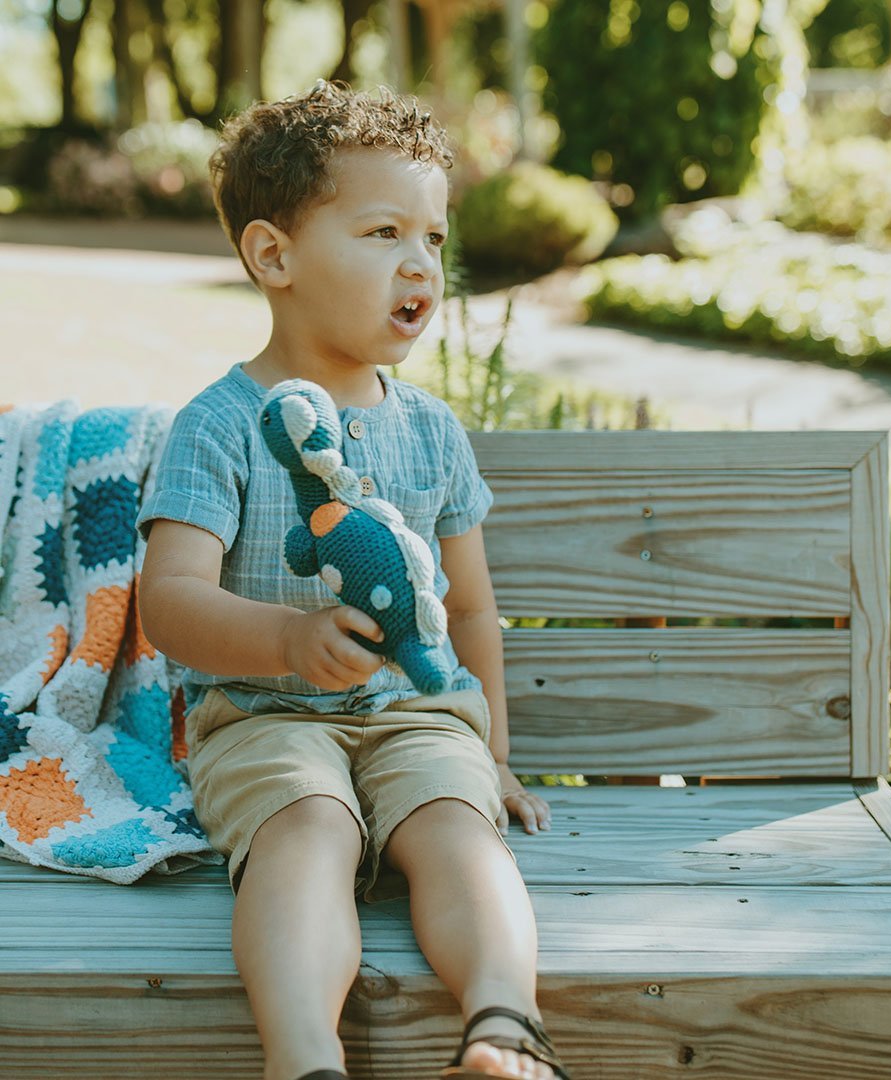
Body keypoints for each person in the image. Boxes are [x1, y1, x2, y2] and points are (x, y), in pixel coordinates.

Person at [137, 80, 571, 1080]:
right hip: (266, 715)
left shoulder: (431, 430)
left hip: (417, 712)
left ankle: (505, 1030)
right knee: (306, 831)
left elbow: (468, 607)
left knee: (460, 833)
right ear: (272, 255)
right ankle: (303, 1062)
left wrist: (491, 749)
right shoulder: (219, 424)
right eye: (383, 231)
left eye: (433, 237)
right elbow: (170, 603)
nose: (420, 261)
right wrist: (287, 644)